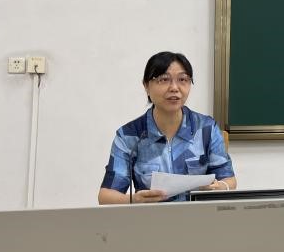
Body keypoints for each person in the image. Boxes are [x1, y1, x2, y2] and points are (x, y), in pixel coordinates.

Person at [98, 51, 237, 204]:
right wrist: (133, 200)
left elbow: (229, 180)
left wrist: (220, 187)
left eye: (183, 79)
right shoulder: (129, 135)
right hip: (151, 217)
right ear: (146, 85)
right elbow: (106, 197)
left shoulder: (206, 128)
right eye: (164, 79)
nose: (174, 88)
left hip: (197, 216)